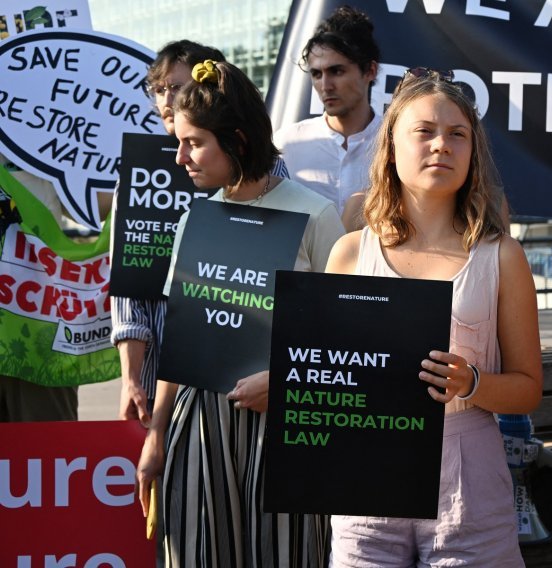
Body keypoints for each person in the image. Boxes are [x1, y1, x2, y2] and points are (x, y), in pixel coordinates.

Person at [325, 68, 543, 566]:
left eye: (457, 134)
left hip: (468, 474)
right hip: (367, 475)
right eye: (423, 131)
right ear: (391, 146)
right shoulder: (348, 253)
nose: (441, 145)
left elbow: (529, 386)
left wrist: (472, 383)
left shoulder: (502, 256)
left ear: (473, 152)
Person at [135, 59, 344, 566]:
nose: (180, 156)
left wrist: (283, 381)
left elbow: (343, 334)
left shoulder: (314, 214)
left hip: (286, 421)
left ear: (239, 141)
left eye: (195, 142)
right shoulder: (195, 218)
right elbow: (179, 338)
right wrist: (157, 436)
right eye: (180, 141)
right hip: (200, 425)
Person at [110, 40, 289, 428]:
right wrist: (131, 379)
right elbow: (129, 288)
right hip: (160, 382)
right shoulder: (140, 174)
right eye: (159, 89)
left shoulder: (271, 176)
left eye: (177, 87)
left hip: (249, 383)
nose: (167, 99)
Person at [273, 5, 381, 224]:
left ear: (370, 71)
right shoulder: (286, 144)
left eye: (337, 71)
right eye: (316, 74)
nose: (325, 85)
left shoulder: (397, 143)